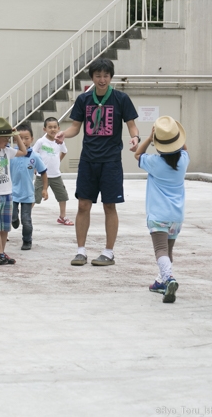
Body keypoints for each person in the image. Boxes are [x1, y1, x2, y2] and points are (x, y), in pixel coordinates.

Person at [54, 58, 140, 267]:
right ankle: (80, 251)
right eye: (98, 75)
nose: (102, 79)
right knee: (83, 205)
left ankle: (108, 252)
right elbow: (76, 127)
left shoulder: (121, 98)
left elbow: (131, 125)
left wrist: (135, 138)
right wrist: (64, 133)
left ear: (111, 77)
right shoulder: (84, 100)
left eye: (106, 75)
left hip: (111, 161)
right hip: (88, 160)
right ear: (92, 77)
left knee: (109, 206)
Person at [134, 116, 189, 304]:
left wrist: (149, 138)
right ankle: (161, 281)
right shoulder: (183, 161)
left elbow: (137, 155)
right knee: (168, 250)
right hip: (177, 217)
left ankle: (169, 279)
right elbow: (184, 148)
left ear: (159, 145)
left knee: (160, 250)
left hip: (159, 216)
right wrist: (176, 135)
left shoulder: (154, 162)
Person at [0, 118, 27, 265]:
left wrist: (16, 136)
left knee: (5, 226)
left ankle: (1, 252)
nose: (7, 141)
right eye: (4, 139)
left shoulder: (7, 151)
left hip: (7, 192)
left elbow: (23, 151)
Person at [10, 124, 48, 251]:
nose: (24, 141)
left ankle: (27, 240)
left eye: (26, 138)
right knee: (13, 216)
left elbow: (43, 172)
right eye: (20, 138)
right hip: (12, 193)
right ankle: (14, 219)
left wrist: (44, 189)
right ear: (15, 139)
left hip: (27, 193)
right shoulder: (11, 154)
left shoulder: (35, 156)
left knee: (26, 220)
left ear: (32, 139)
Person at [34, 117, 73, 226]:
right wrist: (35, 167)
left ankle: (62, 217)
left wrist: (58, 161)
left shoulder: (59, 141)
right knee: (34, 197)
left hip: (56, 175)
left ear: (59, 128)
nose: (53, 129)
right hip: (41, 175)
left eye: (55, 127)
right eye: (50, 127)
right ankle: (26, 215)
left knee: (62, 196)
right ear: (44, 129)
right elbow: (33, 154)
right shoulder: (41, 141)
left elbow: (64, 152)